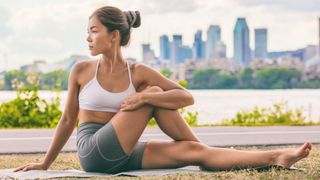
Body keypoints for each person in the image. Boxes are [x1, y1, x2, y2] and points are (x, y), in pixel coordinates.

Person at [14, 6, 312, 174]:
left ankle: (276, 156)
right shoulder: (81, 70)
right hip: (94, 152)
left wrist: (145, 95)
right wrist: (45, 163)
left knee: (190, 147)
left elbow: (186, 97)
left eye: (94, 31)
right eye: (88, 31)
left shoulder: (138, 72)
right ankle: (208, 153)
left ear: (114, 35)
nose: (88, 37)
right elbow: (68, 120)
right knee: (156, 92)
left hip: (124, 153)